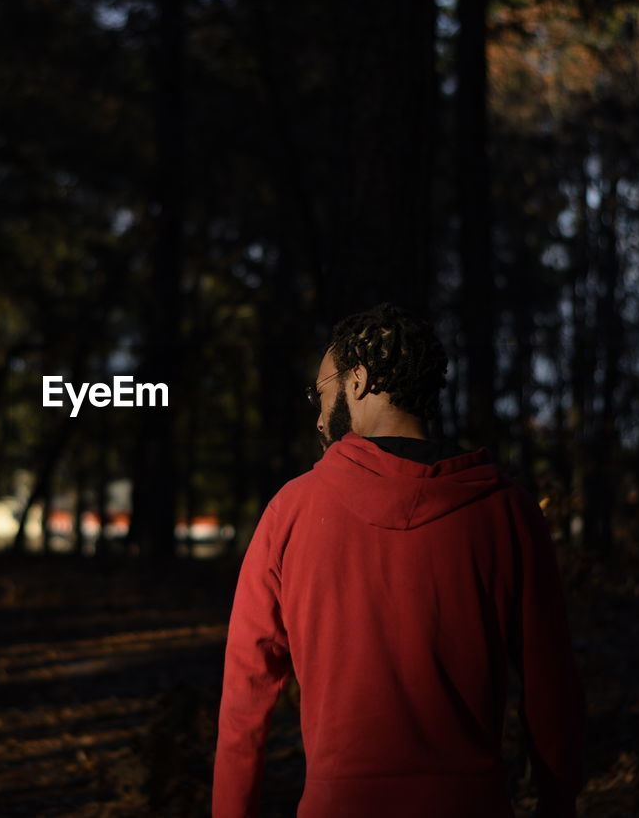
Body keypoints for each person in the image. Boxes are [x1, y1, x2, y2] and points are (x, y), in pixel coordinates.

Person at [213, 304, 586, 818]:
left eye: (321, 394)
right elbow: (553, 687)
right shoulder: (509, 512)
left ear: (359, 380)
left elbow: (245, 693)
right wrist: (558, 801)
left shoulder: (291, 512)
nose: (319, 417)